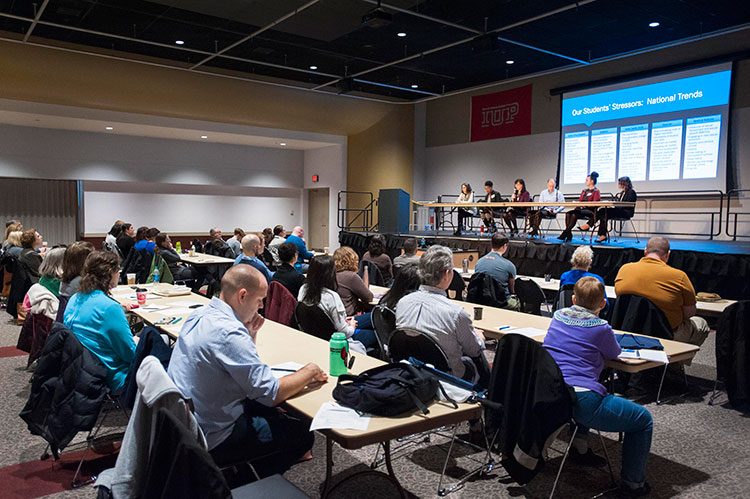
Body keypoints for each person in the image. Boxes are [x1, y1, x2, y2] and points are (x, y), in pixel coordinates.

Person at [168, 265, 326, 480]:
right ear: (243, 296)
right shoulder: (229, 332)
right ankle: (245, 481)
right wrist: (310, 370)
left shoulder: (200, 314)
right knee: (302, 435)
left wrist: (250, 335)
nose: (261, 307)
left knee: (274, 411)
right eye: (260, 299)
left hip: (189, 423)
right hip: (216, 436)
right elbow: (270, 393)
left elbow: (243, 377)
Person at [543, 277, 653, 497]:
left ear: (573, 299)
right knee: (643, 420)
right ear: (603, 304)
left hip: (550, 392)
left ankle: (580, 447)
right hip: (581, 399)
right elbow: (615, 353)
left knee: (593, 386)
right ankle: (633, 484)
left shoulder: (557, 316)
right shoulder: (601, 327)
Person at [395, 245, 487, 383]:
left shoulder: (402, 303)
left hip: (411, 370)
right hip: (447, 376)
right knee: (478, 358)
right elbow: (474, 350)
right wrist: (479, 338)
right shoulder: (456, 313)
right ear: (446, 274)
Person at [63, 251, 137, 393]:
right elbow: (130, 355)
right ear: (110, 272)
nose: (119, 273)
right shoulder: (109, 307)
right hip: (112, 375)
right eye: (118, 270)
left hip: (83, 369)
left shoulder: (75, 298)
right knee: (159, 342)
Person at [614, 237, 709, 347]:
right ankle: (677, 360)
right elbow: (689, 313)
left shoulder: (624, 269)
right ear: (668, 254)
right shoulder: (679, 277)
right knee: (702, 324)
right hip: (665, 333)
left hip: (628, 329)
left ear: (645, 251)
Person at [298, 255, 375, 351]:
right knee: (376, 333)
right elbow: (344, 332)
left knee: (371, 318)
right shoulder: (331, 297)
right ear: (331, 274)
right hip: (337, 339)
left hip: (316, 335)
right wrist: (351, 326)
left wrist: (344, 320)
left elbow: (322, 319)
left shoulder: (303, 289)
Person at [474, 233, 519, 310]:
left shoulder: (479, 262)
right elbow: (512, 291)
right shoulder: (509, 265)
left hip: (481, 300)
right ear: (505, 246)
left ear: (492, 244)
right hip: (502, 303)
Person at [559, 171, 601, 242]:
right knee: (568, 213)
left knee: (574, 215)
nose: (585, 181)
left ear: (592, 181)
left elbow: (595, 203)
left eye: (587, 180)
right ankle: (568, 233)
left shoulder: (596, 191)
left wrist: (585, 204)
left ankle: (566, 233)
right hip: (580, 209)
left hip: (589, 210)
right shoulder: (584, 191)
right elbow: (580, 200)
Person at [596, 176, 638, 243]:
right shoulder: (622, 193)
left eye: (619, 183)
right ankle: (602, 235)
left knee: (602, 211)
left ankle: (591, 224)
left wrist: (615, 205)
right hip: (620, 211)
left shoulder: (631, 192)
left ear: (623, 183)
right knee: (603, 213)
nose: (618, 185)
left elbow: (627, 205)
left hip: (625, 212)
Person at [334, 246, 373, 316]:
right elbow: (368, 297)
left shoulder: (331, 275)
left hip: (335, 316)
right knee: (373, 316)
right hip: (348, 317)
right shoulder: (351, 277)